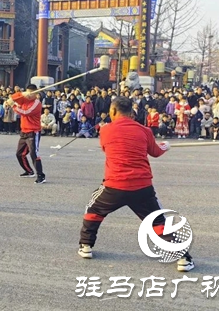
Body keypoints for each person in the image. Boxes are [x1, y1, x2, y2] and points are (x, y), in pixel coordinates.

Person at [77, 96, 194, 272]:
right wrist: (165, 146)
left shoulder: (106, 130)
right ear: (131, 112)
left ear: (113, 111)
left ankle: (86, 246)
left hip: (114, 185)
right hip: (142, 186)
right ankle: (183, 258)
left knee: (93, 210)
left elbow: (106, 149)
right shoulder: (144, 130)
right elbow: (155, 152)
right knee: (158, 222)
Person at [8, 84, 45, 184]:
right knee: (19, 154)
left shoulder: (37, 103)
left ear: (35, 93)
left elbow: (25, 112)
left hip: (33, 132)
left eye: (31, 94)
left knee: (34, 154)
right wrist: (22, 93)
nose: (29, 96)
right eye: (27, 93)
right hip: (24, 131)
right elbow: (12, 98)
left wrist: (13, 106)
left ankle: (41, 175)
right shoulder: (25, 98)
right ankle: (29, 171)